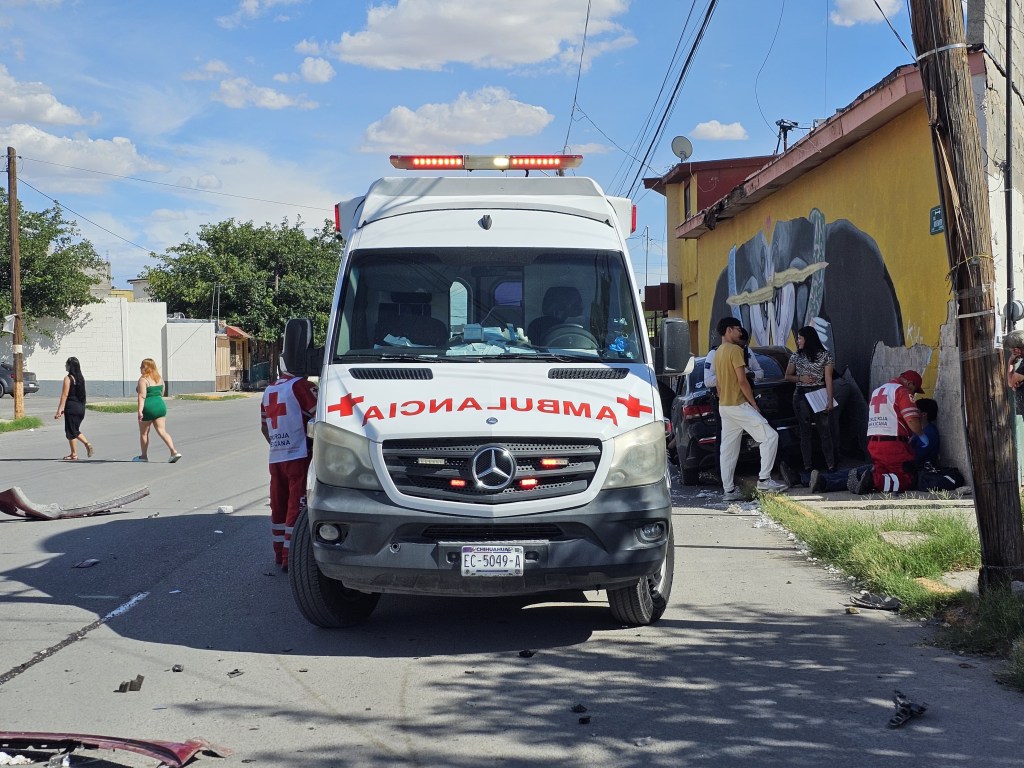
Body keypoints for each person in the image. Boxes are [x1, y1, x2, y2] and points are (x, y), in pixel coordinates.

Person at [712, 316, 787, 500]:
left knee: (727, 450)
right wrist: (753, 404)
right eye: (738, 329)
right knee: (770, 437)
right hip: (739, 405)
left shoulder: (718, 352)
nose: (740, 332)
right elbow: (742, 380)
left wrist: (725, 399)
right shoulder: (735, 350)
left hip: (725, 406)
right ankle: (764, 480)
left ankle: (729, 491)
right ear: (729, 330)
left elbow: (718, 384)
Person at [261, 364, 318, 571]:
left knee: (279, 505)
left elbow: (264, 427)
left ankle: (279, 552)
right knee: (297, 507)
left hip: (276, 456)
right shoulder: (302, 386)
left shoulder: (269, 390)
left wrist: (279, 445)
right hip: (299, 456)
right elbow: (321, 418)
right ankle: (290, 556)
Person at [847, 369, 925, 494]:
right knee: (907, 477)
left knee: (884, 473)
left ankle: (865, 478)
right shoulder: (902, 391)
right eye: (914, 391)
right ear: (910, 384)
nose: (913, 394)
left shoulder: (878, 391)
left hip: (874, 443)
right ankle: (872, 481)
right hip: (894, 445)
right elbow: (911, 420)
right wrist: (921, 434)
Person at [784, 326, 838, 475]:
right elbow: (787, 376)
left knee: (824, 430)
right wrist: (801, 378)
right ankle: (807, 466)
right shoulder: (796, 356)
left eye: (800, 338)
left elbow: (828, 379)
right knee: (805, 431)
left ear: (808, 339)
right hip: (801, 395)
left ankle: (831, 464)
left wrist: (829, 400)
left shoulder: (825, 355)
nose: (798, 341)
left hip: (818, 393)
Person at [135, 358, 181, 463]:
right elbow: (162, 392)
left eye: (141, 366)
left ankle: (144, 456)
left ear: (145, 367)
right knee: (162, 431)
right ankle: (173, 452)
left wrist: (140, 411)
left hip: (148, 407)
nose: (140, 368)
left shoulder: (143, 380)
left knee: (144, 433)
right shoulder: (159, 378)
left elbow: (142, 396)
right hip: (160, 406)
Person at [54, 357, 94, 461]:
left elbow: (64, 395)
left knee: (71, 431)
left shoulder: (68, 378)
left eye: (66, 364)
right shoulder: (81, 379)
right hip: (81, 408)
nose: (65, 366)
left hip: (71, 408)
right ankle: (75, 452)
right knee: (73, 430)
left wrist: (59, 409)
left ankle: (84, 446)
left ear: (70, 366)